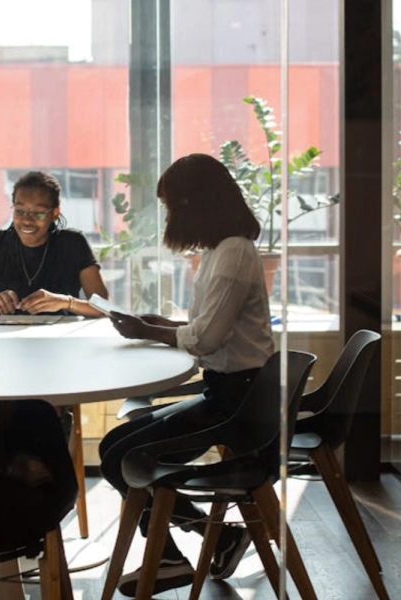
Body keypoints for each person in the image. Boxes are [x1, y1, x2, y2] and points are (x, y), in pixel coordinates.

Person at [99, 153, 275, 595]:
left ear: (196, 204)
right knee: (114, 447)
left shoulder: (233, 253)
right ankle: (209, 541)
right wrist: (161, 325)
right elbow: (206, 330)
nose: (170, 217)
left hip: (239, 405)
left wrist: (148, 331)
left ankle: (172, 559)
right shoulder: (221, 250)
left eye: (172, 207)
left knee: (123, 457)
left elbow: (207, 340)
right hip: (230, 392)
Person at [0, 171, 109, 318]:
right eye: (19, 211)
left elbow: (104, 308)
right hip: (4, 341)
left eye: (38, 213)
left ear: (54, 213)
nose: (26, 220)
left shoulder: (73, 243)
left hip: (59, 342)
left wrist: (66, 302)